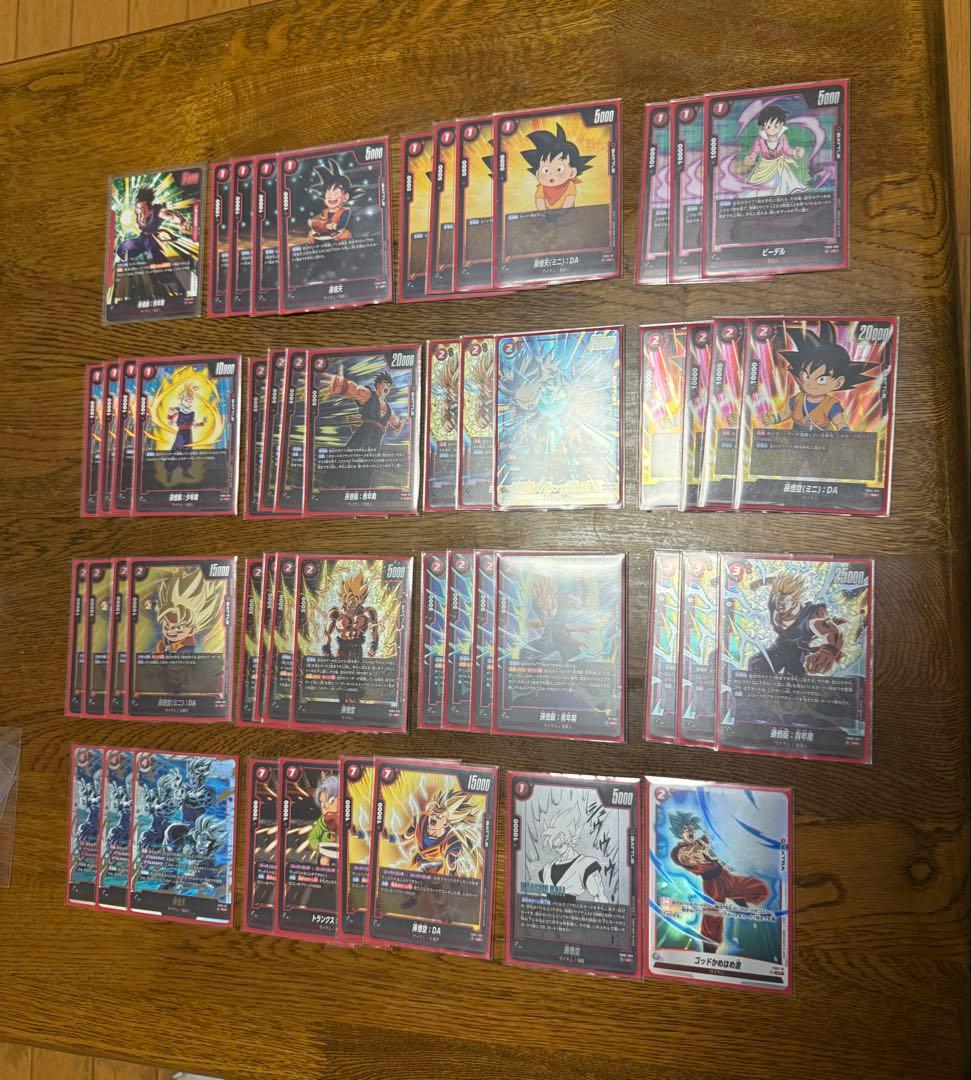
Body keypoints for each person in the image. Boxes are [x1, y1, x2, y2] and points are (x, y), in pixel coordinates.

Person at [668, 811, 770, 952]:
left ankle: (737, 896)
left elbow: (714, 842)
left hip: (726, 877)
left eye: (692, 829)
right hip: (712, 885)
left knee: (759, 888)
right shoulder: (679, 851)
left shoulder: (701, 841)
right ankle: (709, 948)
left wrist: (712, 837)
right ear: (681, 834)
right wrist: (705, 851)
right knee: (713, 917)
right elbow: (689, 856)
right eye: (687, 830)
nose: (691, 832)